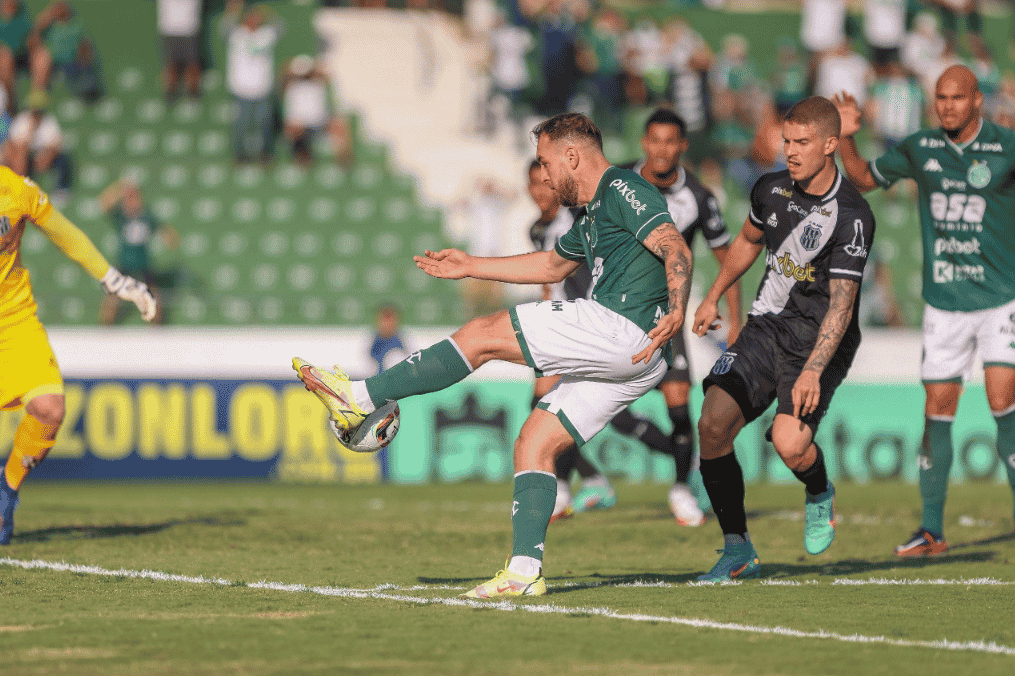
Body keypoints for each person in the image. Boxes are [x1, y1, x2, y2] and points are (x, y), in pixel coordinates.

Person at [294, 112, 694, 599]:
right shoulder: (589, 212)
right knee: (534, 441)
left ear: (572, 155)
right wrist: (471, 266)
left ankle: (358, 395)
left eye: (546, 163)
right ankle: (524, 572)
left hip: (625, 328)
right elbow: (551, 262)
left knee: (483, 334)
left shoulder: (624, 189)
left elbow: (674, 246)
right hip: (640, 359)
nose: (543, 176)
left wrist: (676, 307)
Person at [691, 96, 876, 581]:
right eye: (786, 140)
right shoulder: (770, 190)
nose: (789, 151)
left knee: (788, 442)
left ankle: (818, 491)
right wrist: (713, 295)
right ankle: (737, 549)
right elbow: (748, 243)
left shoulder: (853, 216)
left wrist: (814, 367)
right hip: (765, 328)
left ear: (831, 145)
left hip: (818, 341)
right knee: (712, 424)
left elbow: (841, 303)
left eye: (802, 142)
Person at [834, 65, 1015, 556]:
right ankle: (932, 529)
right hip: (945, 305)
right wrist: (849, 138)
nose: (948, 105)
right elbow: (862, 178)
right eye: (941, 97)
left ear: (977, 100)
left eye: (957, 97)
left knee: (1004, 401)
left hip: (1001, 298)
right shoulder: (921, 148)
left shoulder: (1007, 146)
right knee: (937, 410)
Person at [550, 108, 743, 526]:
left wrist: (732, 315)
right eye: (654, 140)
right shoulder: (617, 182)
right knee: (593, 404)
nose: (661, 149)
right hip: (611, 311)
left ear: (682, 146)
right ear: (643, 143)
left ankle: (680, 488)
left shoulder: (699, 197)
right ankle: (575, 482)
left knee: (678, 405)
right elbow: (582, 238)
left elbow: (728, 259)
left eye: (670, 141)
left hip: (664, 314)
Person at [0, 167, 156, 545]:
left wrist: (113, 279)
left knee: (50, 409)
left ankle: (6, 492)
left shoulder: (15, 189)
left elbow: (63, 232)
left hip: (11, 319)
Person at [97, 178, 177, 325]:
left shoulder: (146, 216)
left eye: (134, 197)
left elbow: (166, 231)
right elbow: (104, 202)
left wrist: (169, 238)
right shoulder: (121, 215)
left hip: (143, 262)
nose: (132, 201)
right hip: (125, 261)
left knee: (153, 295)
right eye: (129, 197)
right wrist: (120, 187)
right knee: (113, 295)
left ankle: (157, 326)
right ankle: (104, 328)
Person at [221, 0, 282, 163]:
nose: (254, 20)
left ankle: (265, 154)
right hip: (241, 89)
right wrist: (233, 10)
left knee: (264, 124)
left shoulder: (266, 34)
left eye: (257, 17)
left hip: (262, 89)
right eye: (251, 17)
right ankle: (239, 155)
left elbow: (280, 27)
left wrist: (267, 11)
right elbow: (224, 28)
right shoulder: (236, 34)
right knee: (240, 125)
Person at [3, 90, 73, 206]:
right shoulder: (22, 120)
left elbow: (55, 146)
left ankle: (61, 189)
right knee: (18, 154)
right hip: (26, 156)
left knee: (63, 159)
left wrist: (44, 158)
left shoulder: (49, 122)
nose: (36, 113)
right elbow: (15, 144)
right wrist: (31, 131)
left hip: (42, 156)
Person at [156, 0, 205, 101]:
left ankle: (192, 92)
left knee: (192, 64)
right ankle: (170, 91)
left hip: (189, 28)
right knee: (170, 65)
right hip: (168, 28)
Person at [369, 304, 408, 374]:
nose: (387, 324)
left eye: (390, 320)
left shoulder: (405, 341)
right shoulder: (369, 341)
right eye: (384, 320)